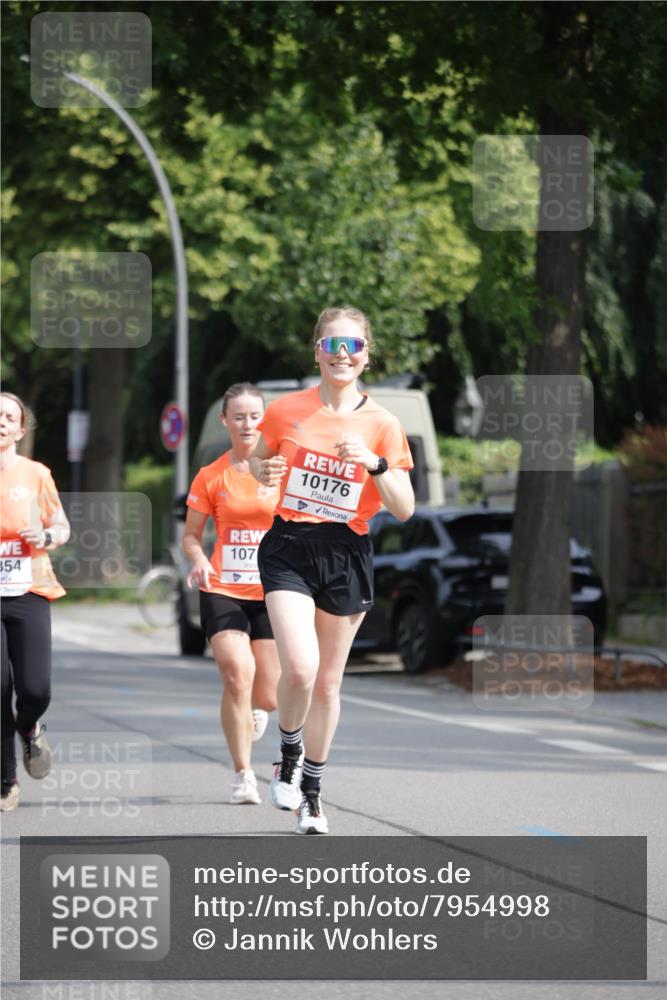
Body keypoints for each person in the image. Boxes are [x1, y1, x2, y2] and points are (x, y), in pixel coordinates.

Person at [251, 306, 415, 834]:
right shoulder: (284, 411)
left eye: (353, 346)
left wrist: (375, 463)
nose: (342, 355)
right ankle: (289, 753)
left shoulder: (383, 423)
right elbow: (257, 461)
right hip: (289, 543)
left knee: (326, 685)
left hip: (347, 549)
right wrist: (265, 468)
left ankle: (313, 795)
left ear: (367, 354)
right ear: (316, 351)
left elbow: (405, 506)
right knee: (298, 668)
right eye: (332, 345)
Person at [183, 383, 281, 805]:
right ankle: (243, 775)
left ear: (265, 419)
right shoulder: (211, 476)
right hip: (223, 585)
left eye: (255, 416)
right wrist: (199, 560)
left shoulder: (281, 471)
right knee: (236, 673)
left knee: (270, 693)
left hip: (275, 589)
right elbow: (191, 536)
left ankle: (257, 709)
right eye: (238, 416)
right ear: (225, 421)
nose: (248, 424)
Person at [1, 392, 70, 812]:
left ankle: (29, 726)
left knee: (35, 687)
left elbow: (60, 524)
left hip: (29, 588)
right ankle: (6, 780)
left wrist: (46, 537)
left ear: (20, 429)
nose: (1, 422)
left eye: (8, 417)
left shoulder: (35, 474)